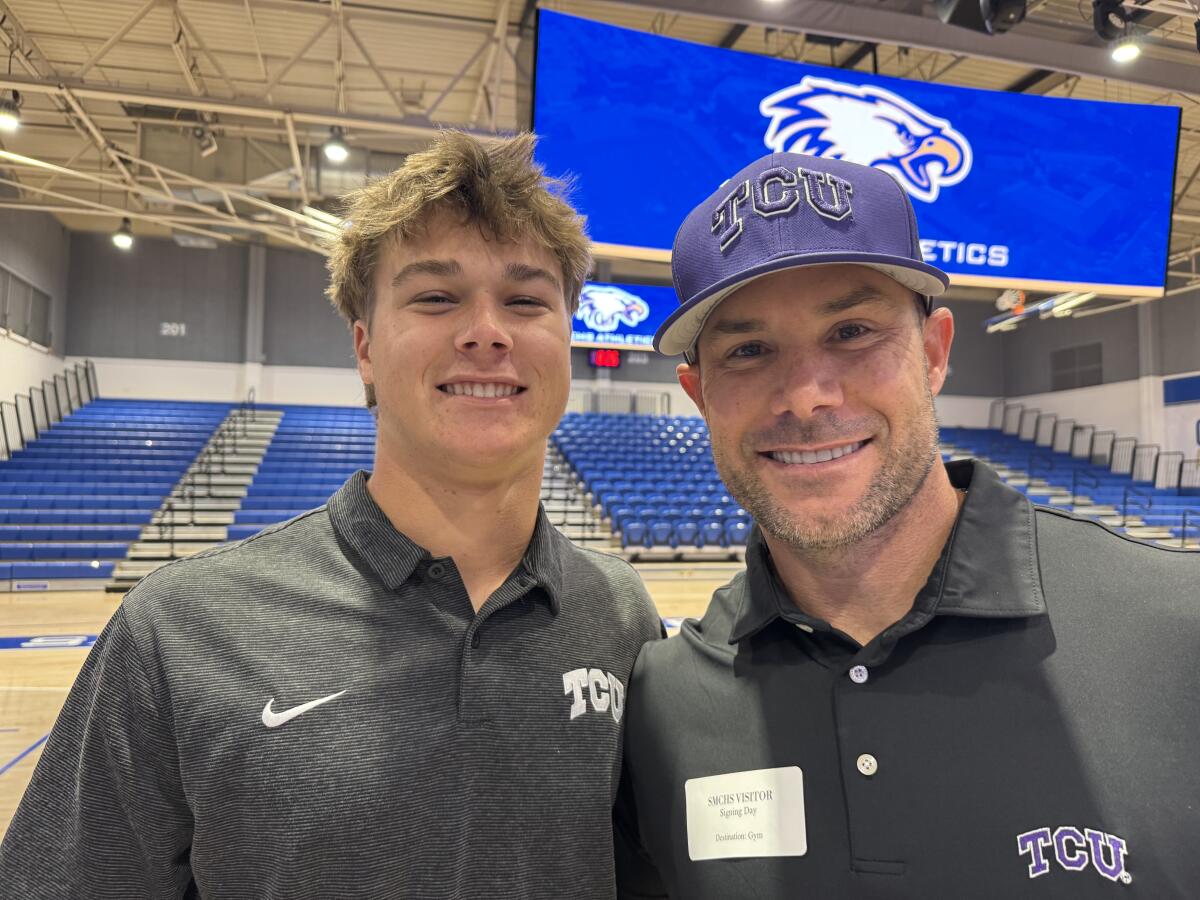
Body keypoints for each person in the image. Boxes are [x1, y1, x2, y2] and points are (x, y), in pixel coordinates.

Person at [0, 132, 662, 899]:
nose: (488, 329)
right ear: (365, 349)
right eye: (436, 297)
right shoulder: (176, 632)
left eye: (526, 300)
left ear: (566, 342)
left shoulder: (620, 616)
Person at [615, 151, 1200, 898]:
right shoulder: (665, 703)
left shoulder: (1179, 634)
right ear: (700, 396)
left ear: (932, 353)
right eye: (750, 350)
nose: (805, 396)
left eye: (852, 331)